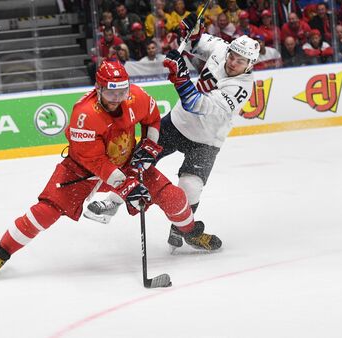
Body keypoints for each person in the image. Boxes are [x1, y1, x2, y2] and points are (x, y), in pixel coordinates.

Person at [0, 60, 211, 279]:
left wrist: (149, 144)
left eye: (122, 91)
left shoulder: (135, 97)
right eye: (111, 92)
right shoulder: (85, 115)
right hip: (81, 171)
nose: (118, 98)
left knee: (173, 196)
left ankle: (190, 232)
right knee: (45, 212)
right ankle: (0, 254)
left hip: (125, 162)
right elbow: (96, 162)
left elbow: (152, 118)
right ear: (98, 89)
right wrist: (127, 185)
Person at [85, 14, 259, 253]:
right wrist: (189, 30)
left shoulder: (241, 88)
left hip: (206, 140)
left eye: (240, 61)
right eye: (232, 56)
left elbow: (196, 104)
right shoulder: (221, 48)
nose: (232, 62)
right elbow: (192, 43)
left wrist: (180, 76)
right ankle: (112, 203)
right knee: (140, 160)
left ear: (250, 65)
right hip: (177, 123)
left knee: (190, 186)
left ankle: (183, 230)